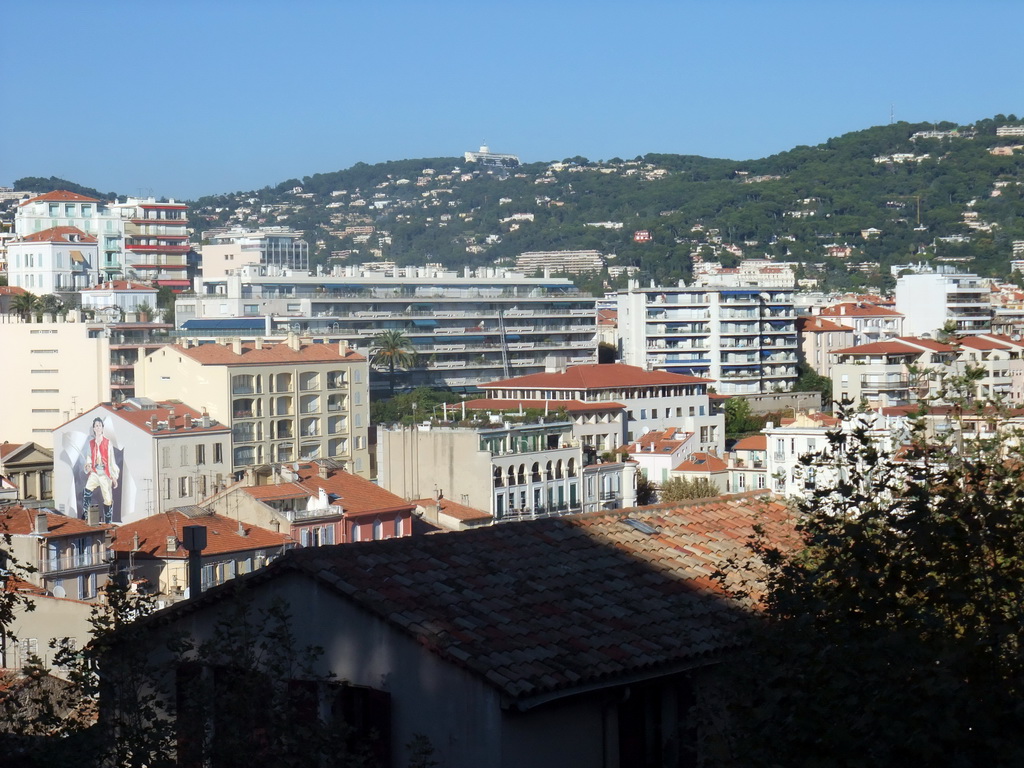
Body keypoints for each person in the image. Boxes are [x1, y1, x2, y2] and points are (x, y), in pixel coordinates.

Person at [83, 417, 119, 523]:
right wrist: (88, 465)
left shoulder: (107, 443)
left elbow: (111, 460)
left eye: (99, 425)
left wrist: (114, 477)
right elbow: (89, 456)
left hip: (104, 473)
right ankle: (86, 514)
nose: (98, 428)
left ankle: (108, 522)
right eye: (96, 426)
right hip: (94, 472)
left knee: (107, 499)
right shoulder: (91, 443)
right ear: (93, 428)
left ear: (102, 428)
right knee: (87, 490)